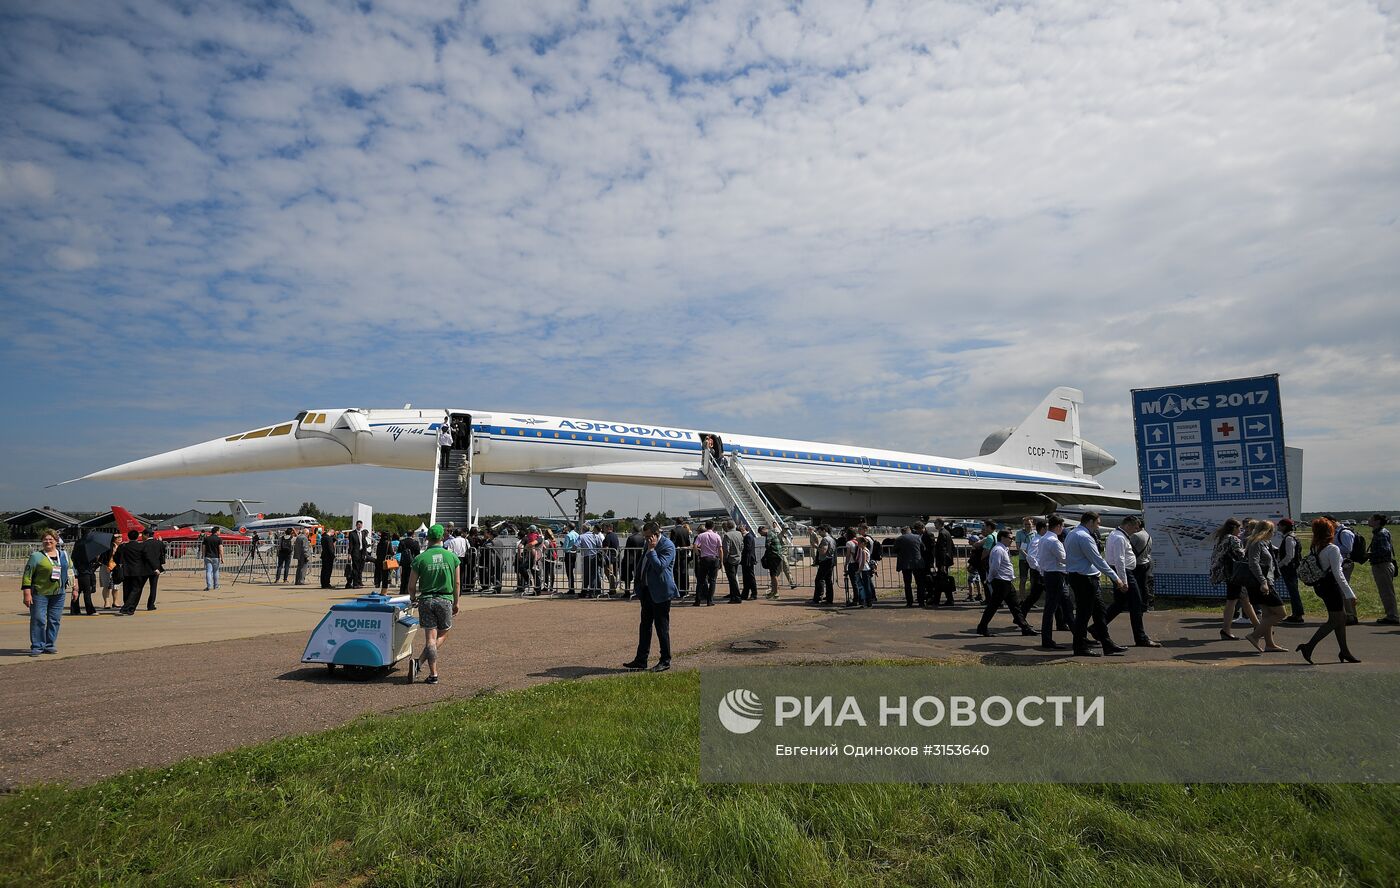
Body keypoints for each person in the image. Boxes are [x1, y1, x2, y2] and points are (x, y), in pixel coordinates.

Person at [1297, 518, 1360, 664]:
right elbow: (1338, 574)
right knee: (1335, 620)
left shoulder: (1316, 546)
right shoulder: (1332, 548)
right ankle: (1309, 646)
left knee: (1341, 618)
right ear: (1330, 530)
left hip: (1322, 586)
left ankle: (1345, 651)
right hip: (1331, 587)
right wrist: (1350, 594)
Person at [1064, 512, 1127, 657]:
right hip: (1085, 579)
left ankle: (1107, 644)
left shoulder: (1073, 533)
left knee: (1100, 613)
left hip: (1083, 577)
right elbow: (1098, 560)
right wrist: (1116, 579)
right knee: (1083, 614)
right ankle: (1080, 647)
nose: (1098, 526)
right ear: (1090, 522)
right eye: (1098, 523)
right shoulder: (1084, 537)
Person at [407, 524, 461, 685]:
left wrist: (413, 598)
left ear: (428, 538)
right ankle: (421, 664)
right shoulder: (452, 557)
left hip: (426, 600)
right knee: (443, 634)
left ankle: (432, 673)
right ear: (442, 537)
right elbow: (457, 582)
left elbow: (411, 585)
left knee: (430, 639)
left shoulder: (420, 558)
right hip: (445, 599)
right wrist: (456, 602)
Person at [623, 521, 676, 673]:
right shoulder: (648, 544)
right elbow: (643, 564)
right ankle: (641, 660)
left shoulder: (667, 546)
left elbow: (660, 567)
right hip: (646, 591)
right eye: (644, 537)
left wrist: (652, 550)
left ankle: (665, 660)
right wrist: (638, 583)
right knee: (645, 626)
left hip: (661, 592)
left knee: (661, 628)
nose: (645, 540)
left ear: (655, 534)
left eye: (647, 537)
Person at [1103, 516, 1160, 648]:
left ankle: (1098, 627)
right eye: (1135, 528)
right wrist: (1123, 581)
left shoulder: (1116, 535)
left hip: (1123, 572)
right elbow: (1120, 560)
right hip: (1125, 573)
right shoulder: (1119, 538)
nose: (1136, 531)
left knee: (1120, 603)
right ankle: (1140, 638)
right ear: (1128, 525)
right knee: (1136, 604)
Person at [976, 531, 1035, 636]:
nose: (1011, 540)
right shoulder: (998, 550)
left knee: (1015, 606)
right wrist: (989, 579)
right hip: (1001, 582)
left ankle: (1024, 627)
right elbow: (994, 567)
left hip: (1006, 582)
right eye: (1010, 538)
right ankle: (982, 627)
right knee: (993, 606)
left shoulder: (1004, 549)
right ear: (1002, 538)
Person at [1241, 520, 1287, 652]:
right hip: (1262, 584)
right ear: (1266, 531)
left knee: (1267, 615)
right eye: (1272, 531)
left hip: (1264, 582)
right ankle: (1254, 636)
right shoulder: (1256, 543)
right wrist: (1263, 581)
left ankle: (1269, 644)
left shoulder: (1264, 543)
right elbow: (1253, 563)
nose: (1273, 534)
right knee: (1280, 613)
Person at [22, 530, 70, 656]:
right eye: (45, 539)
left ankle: (49, 644)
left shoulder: (64, 555)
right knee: (39, 619)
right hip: (40, 593)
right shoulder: (36, 556)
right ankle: (37, 646)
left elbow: (71, 570)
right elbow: (27, 575)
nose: (48, 542)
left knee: (54, 620)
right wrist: (27, 594)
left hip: (59, 593)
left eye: (51, 539)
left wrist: (75, 587)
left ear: (56, 541)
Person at [1210, 518, 1258, 640]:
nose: (1240, 531)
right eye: (1239, 528)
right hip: (1235, 574)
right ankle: (1226, 630)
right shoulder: (1233, 539)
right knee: (1232, 601)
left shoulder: (1222, 538)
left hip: (1227, 574)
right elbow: (1240, 554)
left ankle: (1258, 627)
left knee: (1245, 601)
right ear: (1234, 528)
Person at [1036, 516, 1072, 649]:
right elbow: (1064, 559)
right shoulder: (1054, 541)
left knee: (1063, 607)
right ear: (1058, 526)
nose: (1062, 529)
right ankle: (1047, 640)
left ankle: (1080, 636)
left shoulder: (1044, 538)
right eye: (1062, 527)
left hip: (1049, 574)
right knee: (1056, 608)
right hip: (1056, 575)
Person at [1368, 514, 1397, 625]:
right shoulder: (1381, 532)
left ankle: (1392, 616)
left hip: (1382, 566)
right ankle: (1391, 615)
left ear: (1377, 521)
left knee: (1387, 592)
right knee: (1386, 591)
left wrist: (1369, 555)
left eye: (1371, 519)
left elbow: (1384, 551)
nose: (1369, 520)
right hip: (1382, 565)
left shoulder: (1381, 534)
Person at [1276, 518, 1305, 623]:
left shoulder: (1289, 538)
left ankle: (1298, 614)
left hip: (1290, 569)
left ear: (1284, 526)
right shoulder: (1291, 537)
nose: (1278, 526)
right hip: (1292, 568)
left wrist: (1279, 565)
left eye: (1279, 525)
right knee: (1293, 591)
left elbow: (1289, 556)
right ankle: (1296, 613)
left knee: (1293, 592)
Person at [117, 529, 150, 616]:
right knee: (136, 590)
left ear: (128, 537)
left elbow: (117, 557)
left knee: (127, 589)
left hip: (126, 571)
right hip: (138, 571)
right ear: (137, 537)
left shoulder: (123, 546)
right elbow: (146, 558)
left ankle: (130, 608)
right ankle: (127, 607)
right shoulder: (141, 546)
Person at [692, 519, 723, 606]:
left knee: (701, 580)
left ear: (705, 527)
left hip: (704, 558)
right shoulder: (717, 536)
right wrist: (721, 560)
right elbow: (720, 549)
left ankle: (697, 600)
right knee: (713, 580)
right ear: (713, 527)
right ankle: (710, 601)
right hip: (714, 558)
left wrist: (698, 554)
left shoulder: (701, 536)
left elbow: (695, 546)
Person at [895, 525, 926, 608]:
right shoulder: (918, 537)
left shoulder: (899, 539)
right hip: (917, 563)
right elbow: (923, 548)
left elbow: (895, 550)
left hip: (905, 564)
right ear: (910, 531)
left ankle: (909, 602)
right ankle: (921, 602)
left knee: (907, 584)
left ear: (902, 532)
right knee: (920, 583)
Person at [70, 530, 98, 616]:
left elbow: (73, 557)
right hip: (86, 571)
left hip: (78, 570)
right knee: (87, 591)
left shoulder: (78, 543)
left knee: (77, 590)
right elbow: (91, 559)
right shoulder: (89, 545)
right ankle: (90, 610)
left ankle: (75, 609)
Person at [1129, 519, 1155, 611]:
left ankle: (1137, 604)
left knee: (1136, 586)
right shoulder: (1148, 536)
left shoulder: (1135, 536)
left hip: (1138, 564)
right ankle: (1147, 605)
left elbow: (1128, 549)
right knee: (1144, 585)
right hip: (1147, 562)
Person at [812, 524, 837, 606]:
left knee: (819, 579)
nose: (819, 533)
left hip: (825, 561)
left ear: (824, 530)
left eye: (820, 531)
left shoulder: (825, 540)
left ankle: (817, 598)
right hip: (830, 561)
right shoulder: (832, 539)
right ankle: (829, 599)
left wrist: (816, 546)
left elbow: (823, 551)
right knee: (828, 581)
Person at [722, 519, 745, 603]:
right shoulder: (739, 534)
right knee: (733, 578)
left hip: (730, 559)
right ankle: (733, 596)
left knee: (732, 579)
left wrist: (725, 559)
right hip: (738, 558)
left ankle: (736, 597)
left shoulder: (727, 535)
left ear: (727, 526)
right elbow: (742, 546)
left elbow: (726, 549)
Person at [142, 530, 166, 610]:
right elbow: (163, 553)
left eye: (143, 535)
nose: (142, 537)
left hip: (145, 568)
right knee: (153, 587)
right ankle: (151, 605)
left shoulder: (144, 544)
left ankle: (132, 604)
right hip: (156, 568)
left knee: (138, 587)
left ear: (147, 535)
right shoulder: (159, 543)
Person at [759, 526, 783, 599]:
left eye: (761, 533)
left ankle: (776, 593)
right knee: (773, 575)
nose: (761, 535)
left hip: (774, 557)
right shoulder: (771, 534)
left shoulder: (769, 535)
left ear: (763, 530)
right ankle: (773, 591)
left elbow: (767, 545)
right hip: (775, 556)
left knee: (773, 575)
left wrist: (765, 556)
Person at [577, 523, 600, 598]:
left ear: (583, 529)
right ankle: (592, 591)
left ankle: (586, 591)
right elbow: (599, 545)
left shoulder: (581, 536)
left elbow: (575, 545)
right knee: (593, 574)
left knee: (586, 575)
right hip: (594, 555)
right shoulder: (595, 536)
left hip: (587, 556)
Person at [669, 519, 692, 594]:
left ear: (676, 522)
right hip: (684, 553)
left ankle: (678, 589)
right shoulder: (686, 531)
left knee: (676, 571)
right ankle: (685, 589)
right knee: (684, 571)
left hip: (676, 553)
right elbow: (688, 542)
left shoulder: (674, 531)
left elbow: (672, 543)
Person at [1015, 517, 1036, 600]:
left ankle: (1031, 599)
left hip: (1033, 560)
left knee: (1033, 580)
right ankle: (1022, 599)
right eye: (1026, 524)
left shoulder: (1035, 533)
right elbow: (1018, 547)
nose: (1027, 526)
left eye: (1029, 524)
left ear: (1032, 524)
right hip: (1023, 559)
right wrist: (1027, 556)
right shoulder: (1019, 533)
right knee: (1023, 579)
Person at [398, 529, 421, 595]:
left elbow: (399, 550)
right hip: (412, 561)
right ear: (413, 534)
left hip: (404, 561)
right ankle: (407, 590)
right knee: (410, 575)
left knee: (403, 575)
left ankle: (402, 589)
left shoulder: (402, 541)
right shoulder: (415, 542)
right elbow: (417, 553)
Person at [602, 523, 621, 596]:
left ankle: (612, 589)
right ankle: (613, 588)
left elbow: (606, 548)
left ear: (608, 528)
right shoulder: (615, 535)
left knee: (609, 574)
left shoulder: (608, 536)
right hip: (615, 558)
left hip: (609, 559)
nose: (603, 529)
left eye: (604, 527)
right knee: (613, 574)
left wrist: (603, 554)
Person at [740, 523, 758, 600]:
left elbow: (747, 548)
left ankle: (754, 594)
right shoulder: (747, 536)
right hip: (747, 559)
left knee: (750, 577)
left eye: (741, 529)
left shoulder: (748, 537)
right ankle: (745, 593)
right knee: (746, 577)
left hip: (748, 560)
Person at [346, 521, 366, 589]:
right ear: (356, 525)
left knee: (360, 569)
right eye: (358, 525)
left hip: (361, 553)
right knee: (355, 568)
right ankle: (355, 584)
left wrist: (365, 553)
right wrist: (349, 554)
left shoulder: (363, 533)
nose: (360, 526)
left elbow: (364, 544)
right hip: (355, 553)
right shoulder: (352, 533)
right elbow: (350, 544)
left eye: (361, 525)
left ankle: (358, 582)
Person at [563, 523, 580, 593]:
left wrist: (563, 547)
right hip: (574, 553)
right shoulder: (577, 535)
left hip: (568, 554)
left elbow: (565, 548)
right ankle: (571, 587)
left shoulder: (568, 535)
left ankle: (571, 588)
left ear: (569, 528)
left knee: (569, 572)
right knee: (571, 571)